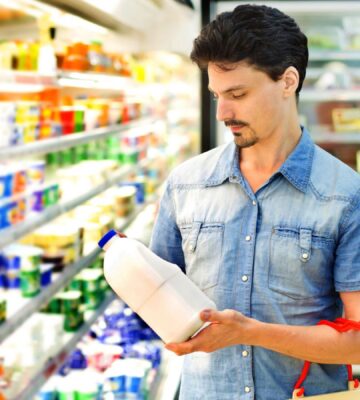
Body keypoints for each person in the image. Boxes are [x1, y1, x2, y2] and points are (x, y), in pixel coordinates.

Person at [149, 4, 360, 399]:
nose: (223, 112)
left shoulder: (345, 195)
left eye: (238, 94)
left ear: (288, 81)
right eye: (216, 95)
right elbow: (158, 300)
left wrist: (251, 334)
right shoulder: (185, 185)